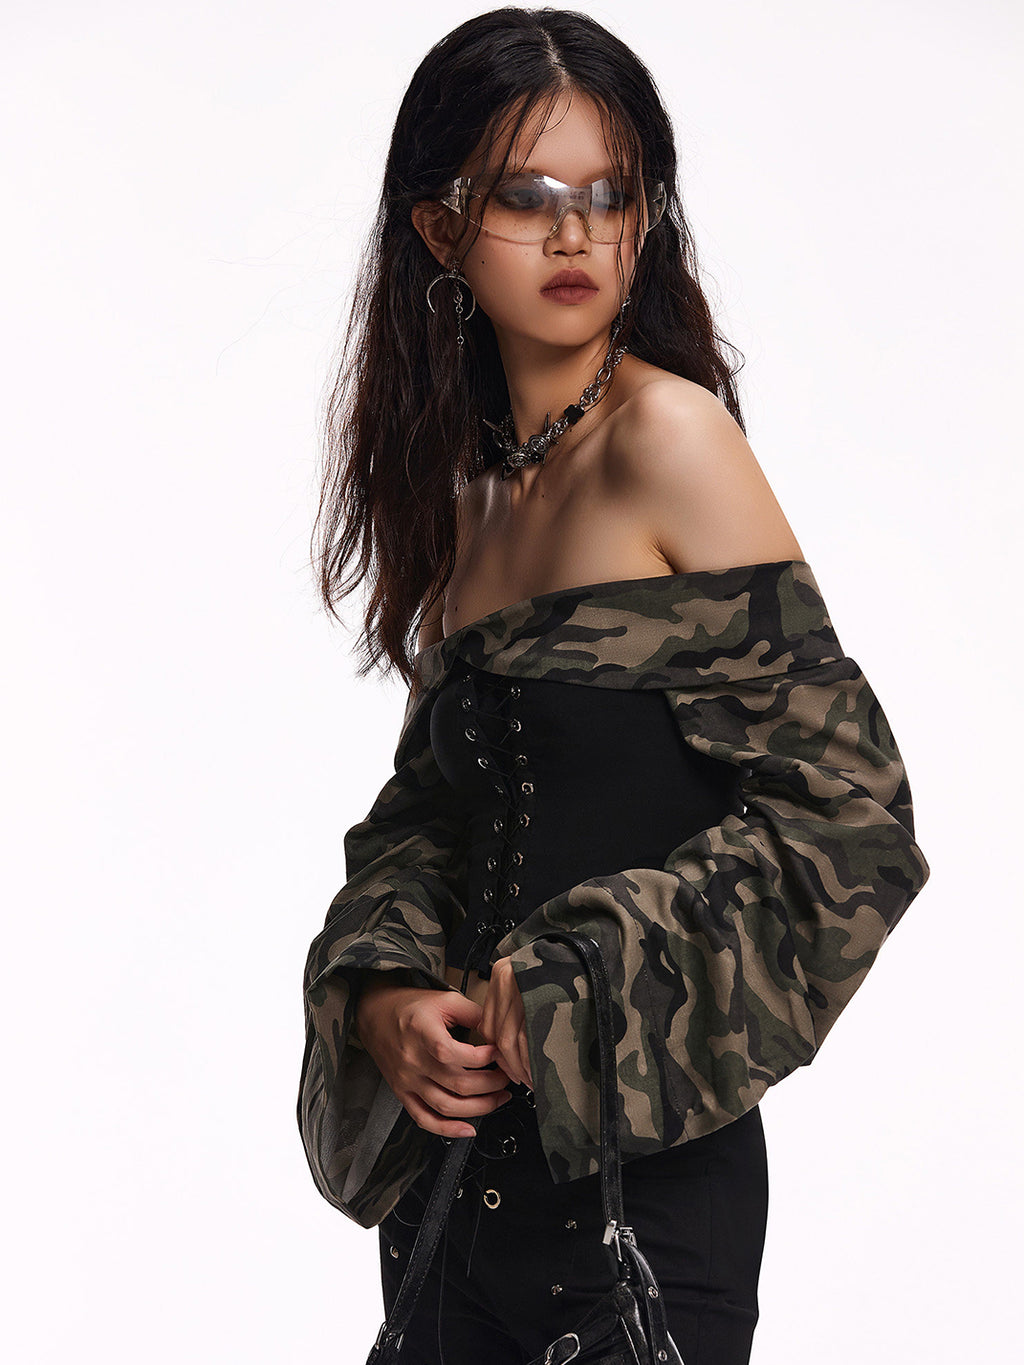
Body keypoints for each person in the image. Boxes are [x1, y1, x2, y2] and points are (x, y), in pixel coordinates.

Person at [296, 8, 930, 1364]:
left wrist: (581, 980)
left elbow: (854, 819)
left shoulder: (670, 439)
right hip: (455, 1207)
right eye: (527, 197)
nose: (575, 234)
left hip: (641, 1213)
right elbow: (432, 817)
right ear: (440, 230)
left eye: (611, 194)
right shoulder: (465, 493)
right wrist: (384, 997)